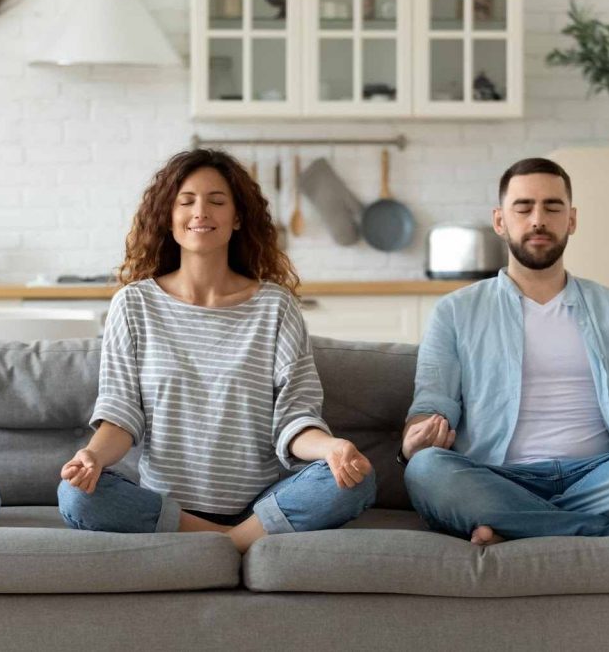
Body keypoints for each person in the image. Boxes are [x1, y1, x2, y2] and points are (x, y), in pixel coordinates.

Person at [57, 148, 376, 553]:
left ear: (237, 217)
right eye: (186, 201)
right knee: (75, 494)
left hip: (260, 504)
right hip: (166, 505)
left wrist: (331, 448)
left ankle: (225, 539)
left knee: (356, 478)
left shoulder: (275, 306)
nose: (200, 212)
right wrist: (91, 457)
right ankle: (234, 544)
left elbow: (295, 417)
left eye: (217, 201)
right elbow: (121, 414)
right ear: (167, 217)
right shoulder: (134, 304)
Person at [402, 157, 609, 545]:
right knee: (427, 470)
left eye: (552, 207)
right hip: (498, 475)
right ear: (500, 221)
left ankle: (517, 527)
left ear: (572, 220)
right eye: (523, 207)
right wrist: (415, 439)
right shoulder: (454, 312)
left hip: (600, 472)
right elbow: (433, 404)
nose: (538, 220)